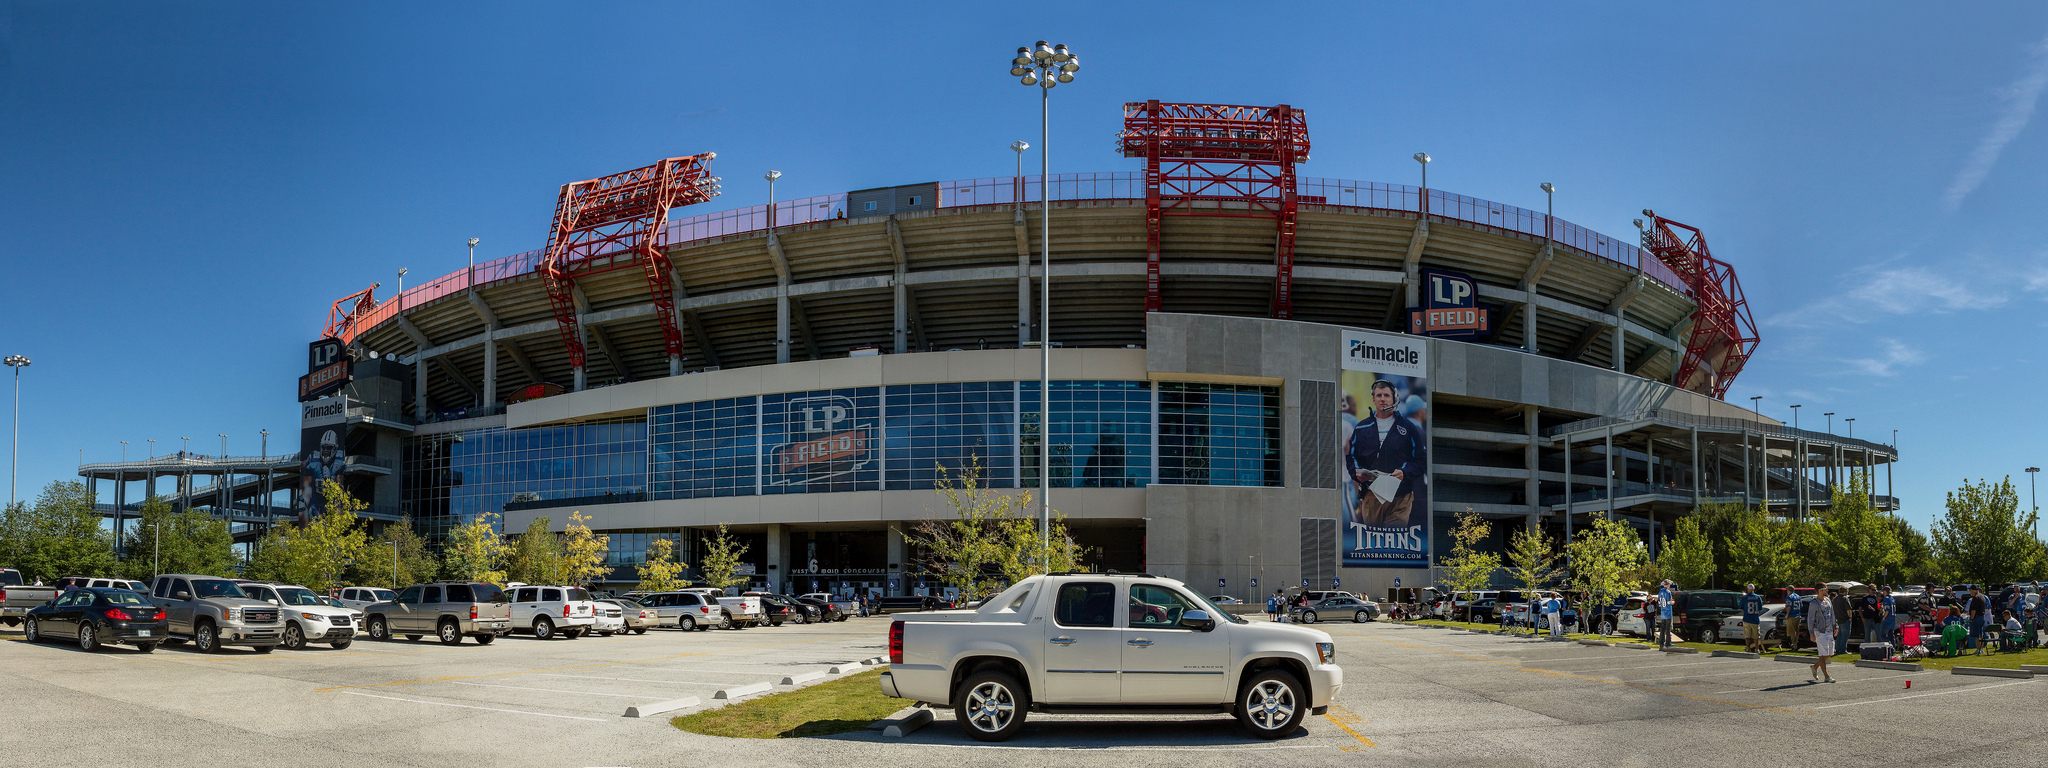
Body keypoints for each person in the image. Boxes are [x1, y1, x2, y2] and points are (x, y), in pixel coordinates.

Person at [1346, 380, 1427, 528]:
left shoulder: (1408, 428)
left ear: (1394, 398)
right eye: (1379, 395)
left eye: (1386, 395)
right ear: (1373, 399)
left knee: (1393, 543)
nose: (1382, 399)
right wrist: (1356, 472)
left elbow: (1420, 461)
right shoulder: (1362, 427)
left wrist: (1404, 472)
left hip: (1401, 496)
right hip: (1371, 495)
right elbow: (1351, 456)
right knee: (1374, 543)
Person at [1808, 583, 1837, 683]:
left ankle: (1815, 667)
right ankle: (1827, 676)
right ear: (1820, 590)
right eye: (1825, 589)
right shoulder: (1814, 603)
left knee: (1829, 653)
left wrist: (1835, 625)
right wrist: (1811, 632)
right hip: (1820, 631)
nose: (1827, 591)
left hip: (1829, 630)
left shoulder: (1828, 600)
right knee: (1823, 653)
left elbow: (1832, 613)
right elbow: (1810, 619)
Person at [1966, 585, 1992, 656]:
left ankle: (1978, 649)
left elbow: (1974, 610)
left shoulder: (1975, 598)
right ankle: (1981, 649)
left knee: (1977, 635)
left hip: (1977, 617)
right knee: (1981, 634)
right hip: (1982, 617)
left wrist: (1971, 618)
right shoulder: (1982, 596)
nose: (1970, 592)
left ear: (1974, 590)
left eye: (1970, 590)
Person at [1740, 584, 1765, 653]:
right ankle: (1757, 649)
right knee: (1756, 636)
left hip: (1747, 618)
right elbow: (1760, 608)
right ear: (1754, 589)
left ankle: (1748, 648)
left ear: (1748, 589)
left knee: (1747, 635)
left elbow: (1741, 607)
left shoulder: (1745, 597)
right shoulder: (1757, 597)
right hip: (1755, 619)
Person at [1781, 585, 1804, 652]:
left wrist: (1787, 614)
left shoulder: (1789, 597)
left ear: (1789, 590)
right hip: (1798, 615)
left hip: (1792, 616)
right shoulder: (1798, 596)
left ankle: (1794, 645)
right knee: (1796, 631)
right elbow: (1801, 606)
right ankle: (1795, 643)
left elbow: (1789, 606)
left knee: (1792, 632)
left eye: (1787, 590)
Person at [1830, 587, 1851, 657]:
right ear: (1845, 591)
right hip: (1845, 619)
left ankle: (1837, 649)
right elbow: (1848, 609)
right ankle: (1843, 650)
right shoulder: (1845, 598)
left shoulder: (1835, 599)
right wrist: (1850, 617)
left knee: (1839, 636)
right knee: (1845, 636)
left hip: (1837, 620)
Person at [1657, 580, 1675, 649]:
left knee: (1662, 629)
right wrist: (1672, 602)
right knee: (1668, 629)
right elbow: (1668, 602)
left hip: (1663, 613)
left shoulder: (1660, 592)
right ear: (1667, 585)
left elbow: (1659, 603)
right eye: (1669, 584)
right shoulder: (1668, 592)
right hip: (1668, 612)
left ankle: (1661, 644)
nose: (1669, 585)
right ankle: (1668, 643)